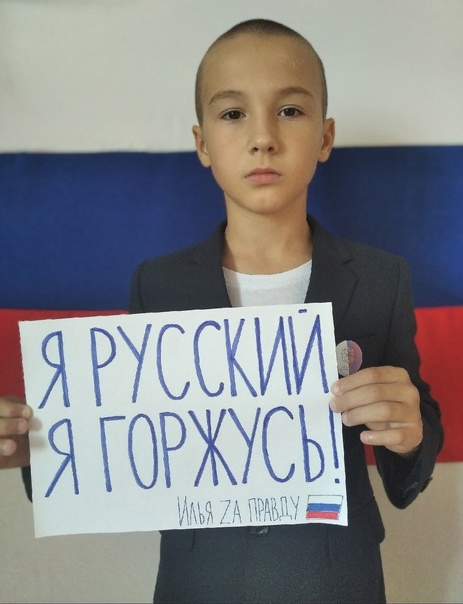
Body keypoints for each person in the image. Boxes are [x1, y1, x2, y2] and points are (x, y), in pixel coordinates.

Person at [0, 18, 444, 604]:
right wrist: (32, 448)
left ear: (325, 136)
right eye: (233, 113)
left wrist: (410, 435)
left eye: (290, 110)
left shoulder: (382, 279)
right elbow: (127, 441)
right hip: (197, 581)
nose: (263, 137)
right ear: (203, 143)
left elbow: (410, 455)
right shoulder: (158, 285)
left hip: (336, 579)